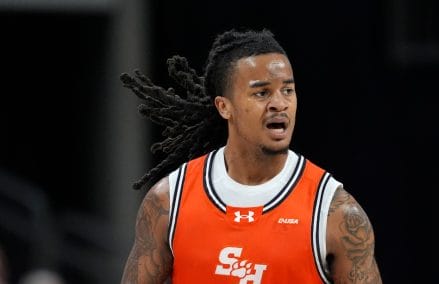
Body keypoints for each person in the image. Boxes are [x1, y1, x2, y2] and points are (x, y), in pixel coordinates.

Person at [119, 28, 382, 283]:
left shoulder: (335, 213)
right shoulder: (168, 201)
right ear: (224, 107)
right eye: (262, 92)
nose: (280, 103)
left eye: (287, 90)